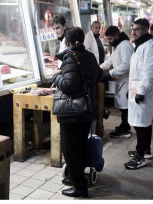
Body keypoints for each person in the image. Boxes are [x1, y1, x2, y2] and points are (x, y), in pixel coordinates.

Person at [52, 27, 103, 197]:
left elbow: (68, 85)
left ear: (68, 42)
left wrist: (56, 75)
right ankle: (76, 178)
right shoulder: (89, 56)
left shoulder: (70, 57)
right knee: (79, 146)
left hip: (73, 113)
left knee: (71, 149)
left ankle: (79, 187)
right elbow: (99, 74)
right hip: (86, 110)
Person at [124, 18, 153, 169]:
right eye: (132, 29)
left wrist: (141, 92)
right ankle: (145, 150)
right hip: (137, 89)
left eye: (137, 29)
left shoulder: (150, 47)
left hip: (144, 92)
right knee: (143, 123)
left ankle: (140, 158)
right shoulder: (140, 45)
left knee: (142, 125)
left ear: (146, 29)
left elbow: (149, 72)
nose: (133, 32)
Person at [100, 26, 134, 138]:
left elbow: (126, 65)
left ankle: (125, 129)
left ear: (116, 36)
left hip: (127, 80)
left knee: (125, 106)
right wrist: (99, 68)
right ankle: (124, 125)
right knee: (122, 105)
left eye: (110, 39)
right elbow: (111, 60)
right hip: (121, 80)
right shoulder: (118, 45)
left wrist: (110, 73)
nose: (109, 42)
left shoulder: (124, 45)